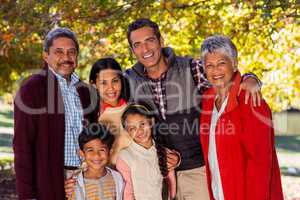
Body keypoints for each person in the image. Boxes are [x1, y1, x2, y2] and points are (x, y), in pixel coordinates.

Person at [125, 18, 262, 200]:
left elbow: (225, 76)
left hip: (198, 172)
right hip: (158, 177)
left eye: (150, 40)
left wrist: (251, 78)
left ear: (161, 40)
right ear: (133, 50)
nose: (145, 49)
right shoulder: (130, 79)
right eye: (137, 44)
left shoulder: (191, 68)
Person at [13, 27, 97, 199]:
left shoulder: (85, 91)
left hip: (86, 179)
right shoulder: (32, 89)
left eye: (71, 52)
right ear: (45, 55)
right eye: (59, 52)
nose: (66, 58)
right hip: (50, 180)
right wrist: (27, 195)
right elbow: (22, 146)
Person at [199, 35, 283, 200]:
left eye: (221, 63)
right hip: (218, 193)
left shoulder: (250, 100)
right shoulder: (207, 101)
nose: (215, 70)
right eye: (209, 65)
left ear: (235, 63)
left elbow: (260, 165)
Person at [116, 103, 176, 200]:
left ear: (151, 122)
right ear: (127, 132)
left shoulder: (164, 152)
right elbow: (127, 193)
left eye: (142, 124)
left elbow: (171, 184)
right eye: (132, 128)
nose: (139, 131)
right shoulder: (125, 157)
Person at [89, 57, 132, 165]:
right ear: (94, 84)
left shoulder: (133, 110)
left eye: (115, 81)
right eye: (104, 83)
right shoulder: (92, 117)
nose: (111, 88)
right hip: (111, 178)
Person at [67, 123, 124, 200]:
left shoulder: (117, 178)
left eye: (102, 150)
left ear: (110, 152)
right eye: (90, 150)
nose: (96, 155)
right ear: (82, 153)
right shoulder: (74, 184)